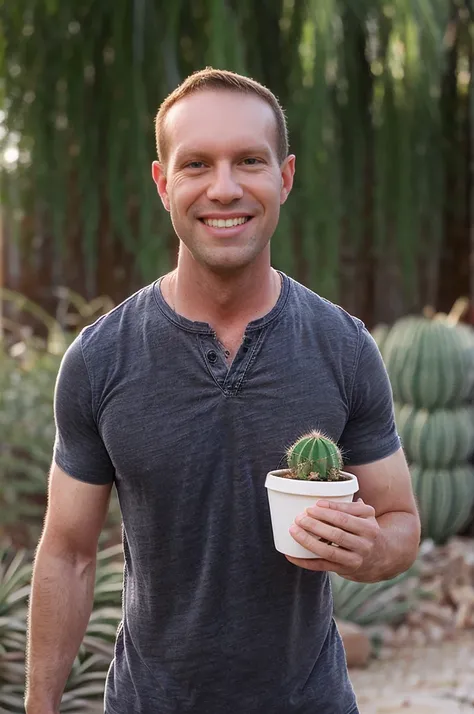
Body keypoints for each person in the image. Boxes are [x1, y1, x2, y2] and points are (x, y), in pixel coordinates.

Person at [25, 67, 421, 714]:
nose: (225, 188)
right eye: (197, 165)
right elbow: (67, 553)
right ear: (163, 183)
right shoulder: (100, 360)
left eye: (250, 161)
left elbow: (400, 521)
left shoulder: (343, 348)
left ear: (285, 177)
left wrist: (372, 548)